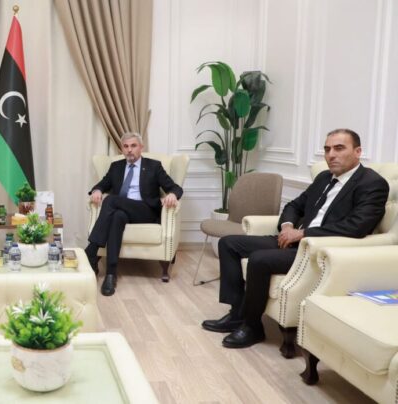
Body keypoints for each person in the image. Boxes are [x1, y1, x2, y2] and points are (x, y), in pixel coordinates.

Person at [202, 128, 389, 348]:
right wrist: (288, 226)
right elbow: (294, 205)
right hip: (293, 241)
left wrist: (303, 233)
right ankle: (236, 314)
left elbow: (357, 226)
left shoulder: (372, 183)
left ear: (357, 151)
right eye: (327, 149)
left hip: (318, 250)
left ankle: (252, 327)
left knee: (260, 259)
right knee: (229, 243)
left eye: (339, 148)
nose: (331, 155)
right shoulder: (324, 178)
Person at [85, 132, 183, 296]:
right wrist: (97, 190)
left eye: (133, 146)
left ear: (141, 147)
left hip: (145, 211)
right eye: (126, 146)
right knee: (117, 217)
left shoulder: (154, 166)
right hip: (123, 211)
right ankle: (110, 275)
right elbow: (102, 184)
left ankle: (91, 250)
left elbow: (175, 187)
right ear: (122, 149)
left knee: (111, 200)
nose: (129, 150)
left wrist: (172, 194)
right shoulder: (116, 167)